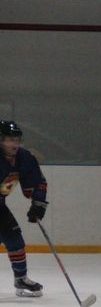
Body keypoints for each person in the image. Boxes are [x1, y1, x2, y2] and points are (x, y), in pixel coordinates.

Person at [0, 120, 47, 297]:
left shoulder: (24, 157)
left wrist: (38, 203)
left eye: (17, 140)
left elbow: (38, 182)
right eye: (9, 140)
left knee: (15, 240)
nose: (14, 144)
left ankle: (21, 278)